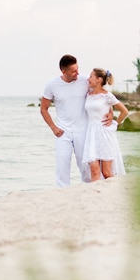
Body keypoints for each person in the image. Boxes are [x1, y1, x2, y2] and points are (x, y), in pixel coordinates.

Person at [40, 55, 112, 187]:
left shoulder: (85, 80)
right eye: (73, 71)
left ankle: (89, 190)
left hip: (83, 130)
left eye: (77, 69)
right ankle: (62, 193)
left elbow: (103, 95)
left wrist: (111, 113)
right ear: (63, 71)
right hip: (63, 132)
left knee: (85, 166)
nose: (77, 73)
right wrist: (53, 127)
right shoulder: (51, 85)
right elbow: (43, 109)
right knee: (62, 166)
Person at [82, 68, 129, 181]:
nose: (88, 79)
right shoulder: (88, 94)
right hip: (91, 134)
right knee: (94, 168)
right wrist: (111, 112)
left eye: (91, 76)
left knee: (107, 172)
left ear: (98, 79)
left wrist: (114, 124)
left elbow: (125, 111)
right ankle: (95, 194)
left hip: (105, 133)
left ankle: (115, 192)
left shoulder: (107, 95)